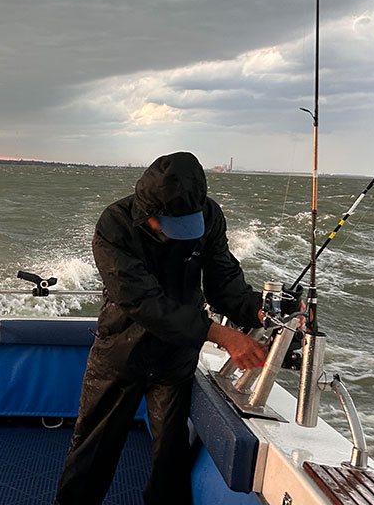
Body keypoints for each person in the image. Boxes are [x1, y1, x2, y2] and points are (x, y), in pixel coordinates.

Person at [54, 151, 277, 505]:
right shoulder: (114, 224)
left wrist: (259, 312)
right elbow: (144, 302)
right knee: (92, 454)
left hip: (176, 358)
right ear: (148, 211)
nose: (179, 237)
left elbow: (224, 282)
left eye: (187, 226)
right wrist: (221, 335)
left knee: (170, 461)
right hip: (121, 354)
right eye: (170, 226)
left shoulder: (209, 216)